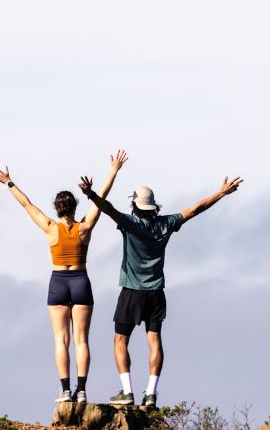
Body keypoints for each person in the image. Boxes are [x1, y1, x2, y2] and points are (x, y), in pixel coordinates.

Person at [77, 172, 243, 409]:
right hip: (156, 291)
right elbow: (196, 209)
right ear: (153, 206)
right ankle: (151, 394)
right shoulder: (166, 223)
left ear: (134, 205)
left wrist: (90, 194)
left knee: (120, 341)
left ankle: (127, 392)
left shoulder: (129, 223)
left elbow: (108, 208)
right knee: (154, 340)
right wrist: (221, 193)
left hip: (132, 290)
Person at [0, 151, 128, 406]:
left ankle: (65, 390)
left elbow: (26, 204)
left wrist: (8, 182)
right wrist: (113, 171)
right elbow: (102, 198)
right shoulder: (84, 227)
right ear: (74, 207)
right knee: (81, 340)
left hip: (58, 283)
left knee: (61, 340)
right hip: (81, 281)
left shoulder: (50, 227)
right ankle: (82, 390)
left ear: (57, 208)